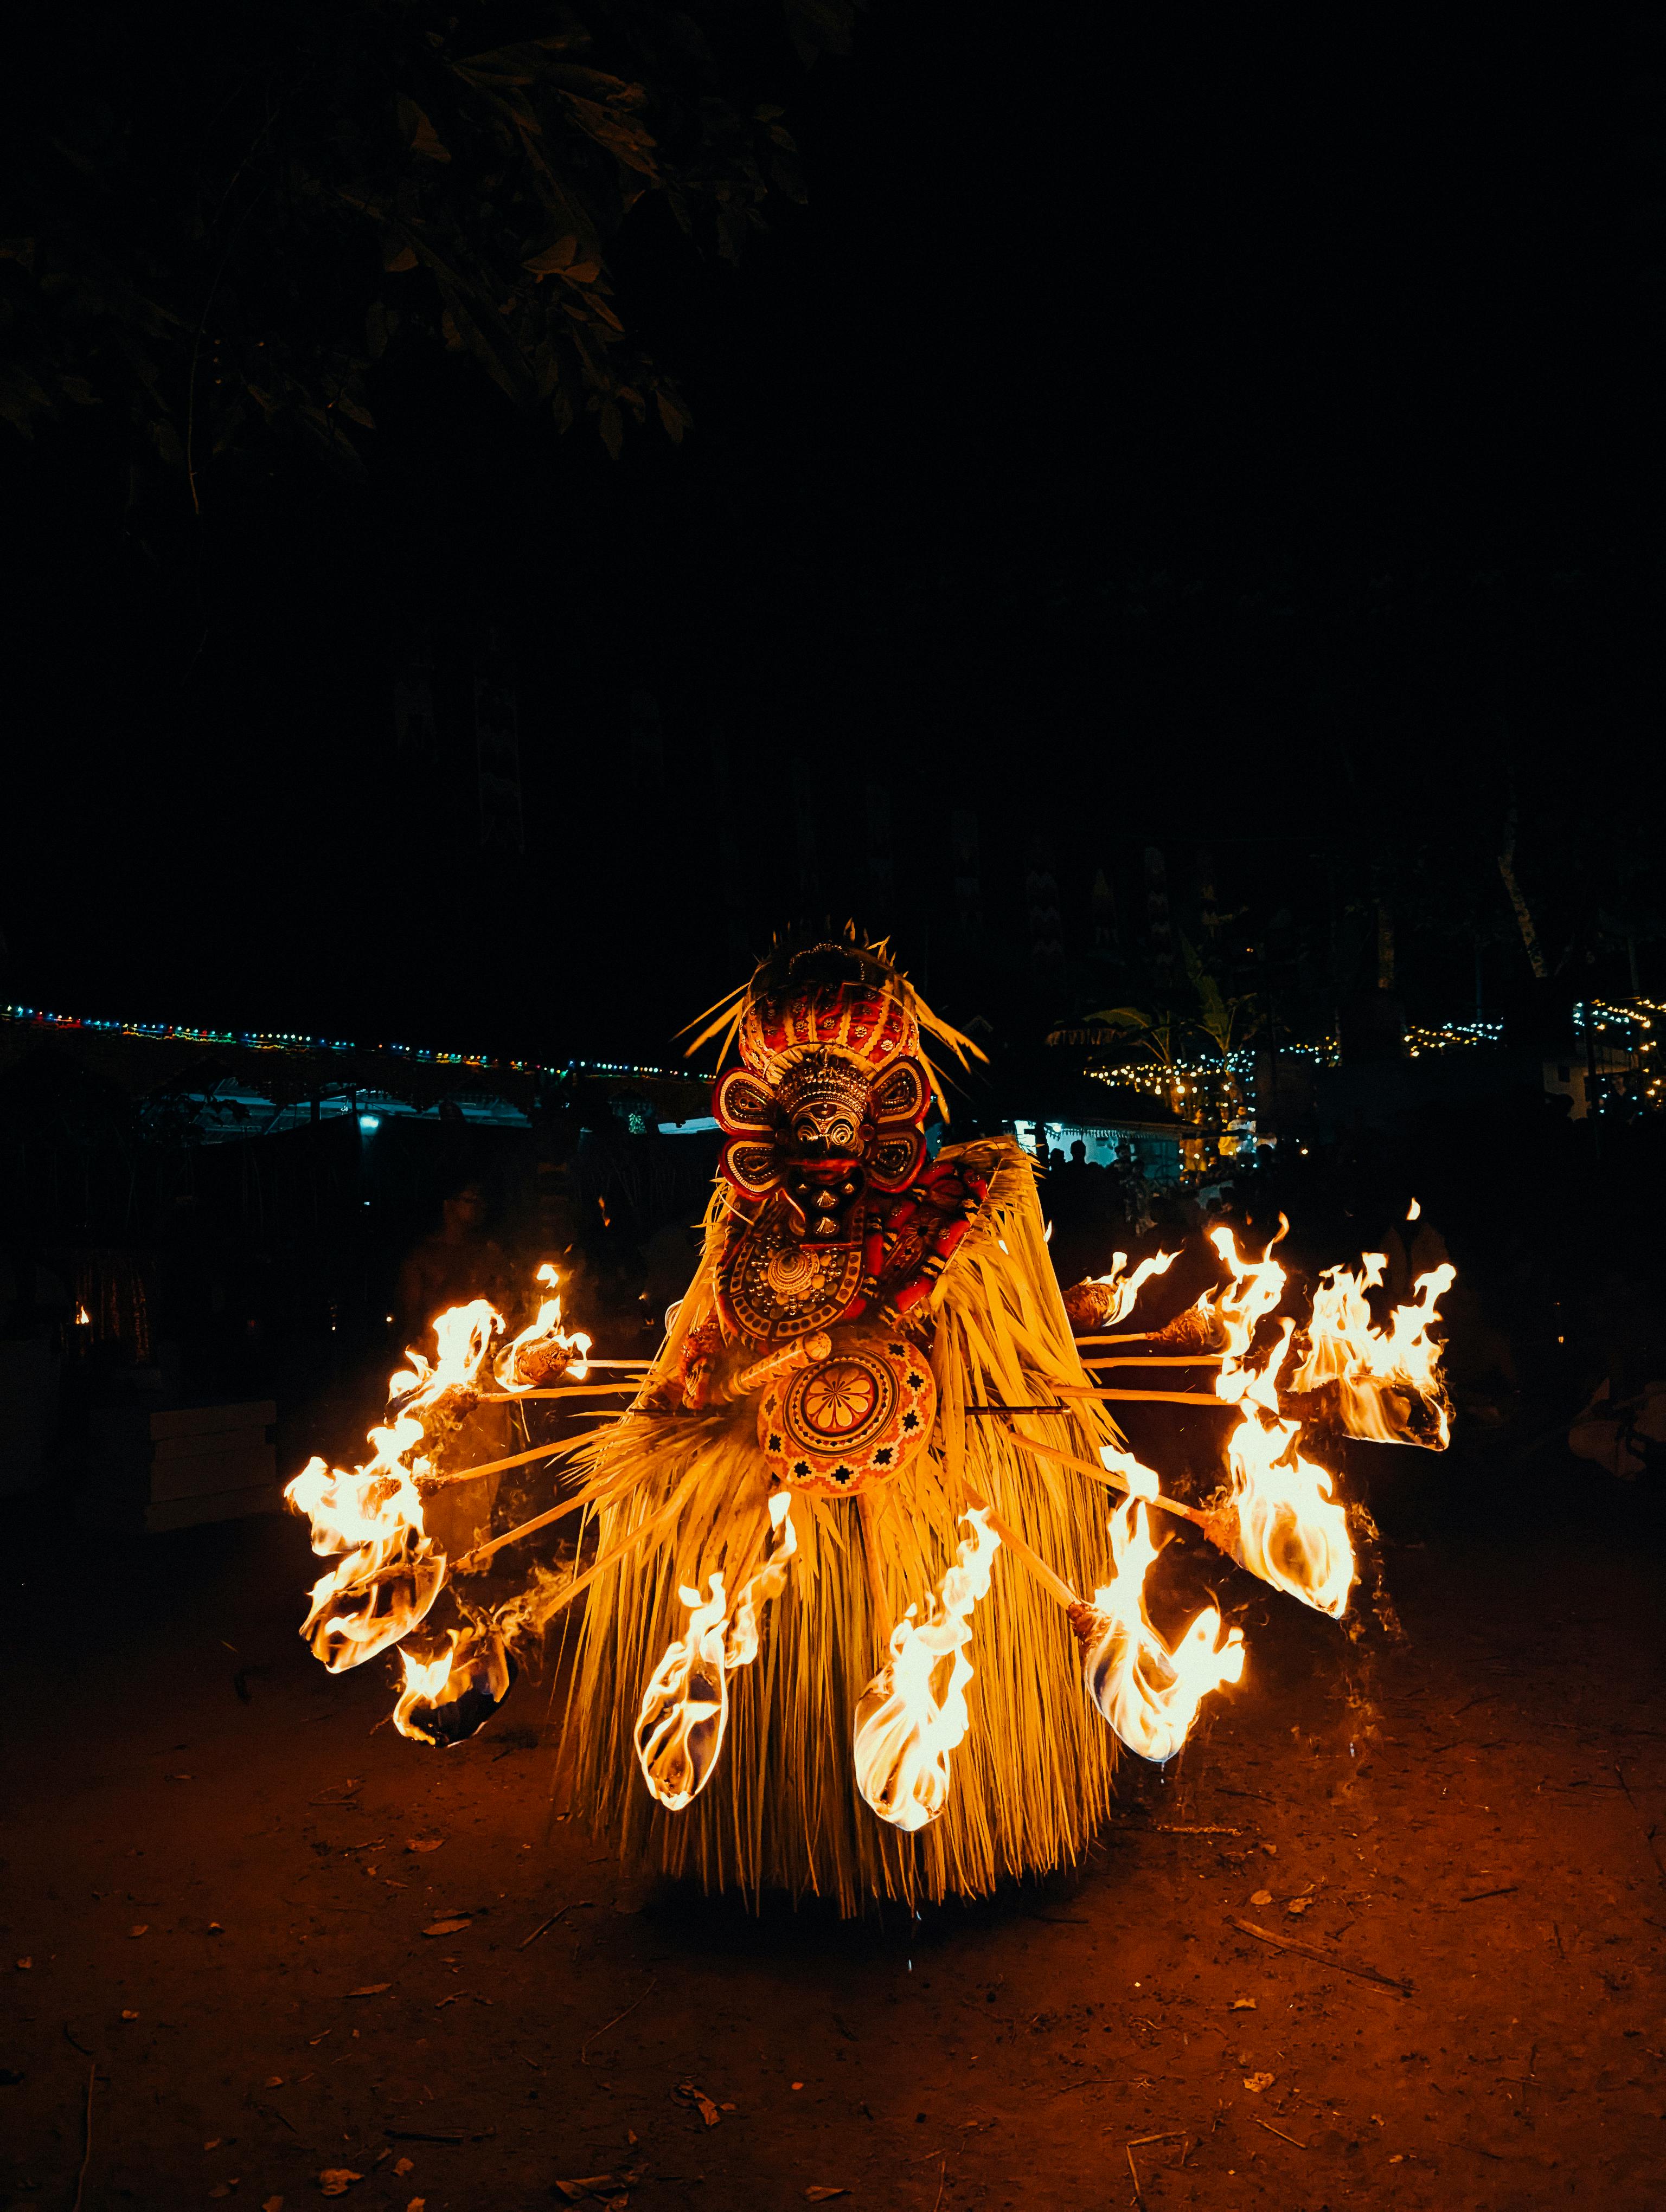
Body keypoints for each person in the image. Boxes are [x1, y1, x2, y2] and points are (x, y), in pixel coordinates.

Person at [395, 1174, 514, 1352]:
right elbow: (410, 1317)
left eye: (482, 1200)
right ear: (449, 1205)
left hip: (483, 1350)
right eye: (472, 1200)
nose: (481, 1206)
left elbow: (505, 1302)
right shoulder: (425, 1256)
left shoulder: (489, 1252)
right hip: (436, 1350)